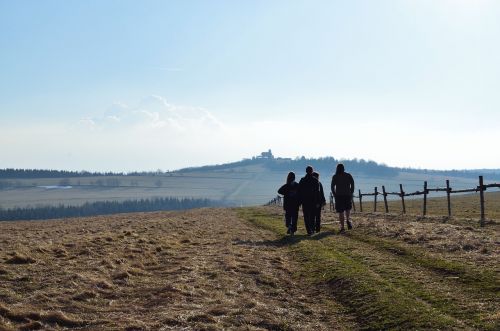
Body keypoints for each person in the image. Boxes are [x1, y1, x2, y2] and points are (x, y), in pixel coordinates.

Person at [331, 163, 355, 233]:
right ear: (344, 168)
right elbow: (352, 183)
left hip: (339, 196)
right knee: (347, 209)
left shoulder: (335, 176)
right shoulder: (348, 175)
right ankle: (348, 220)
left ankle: (342, 227)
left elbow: (332, 186)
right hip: (347, 195)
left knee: (341, 212)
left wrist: (335, 194)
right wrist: (351, 192)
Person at [298, 165, 320, 236]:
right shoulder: (315, 180)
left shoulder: (302, 180)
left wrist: (300, 201)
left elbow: (299, 191)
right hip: (313, 200)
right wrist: (317, 202)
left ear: (306, 171)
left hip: (305, 201)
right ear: (312, 171)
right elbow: (317, 192)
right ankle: (312, 229)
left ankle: (308, 230)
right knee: (313, 216)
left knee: (306, 216)